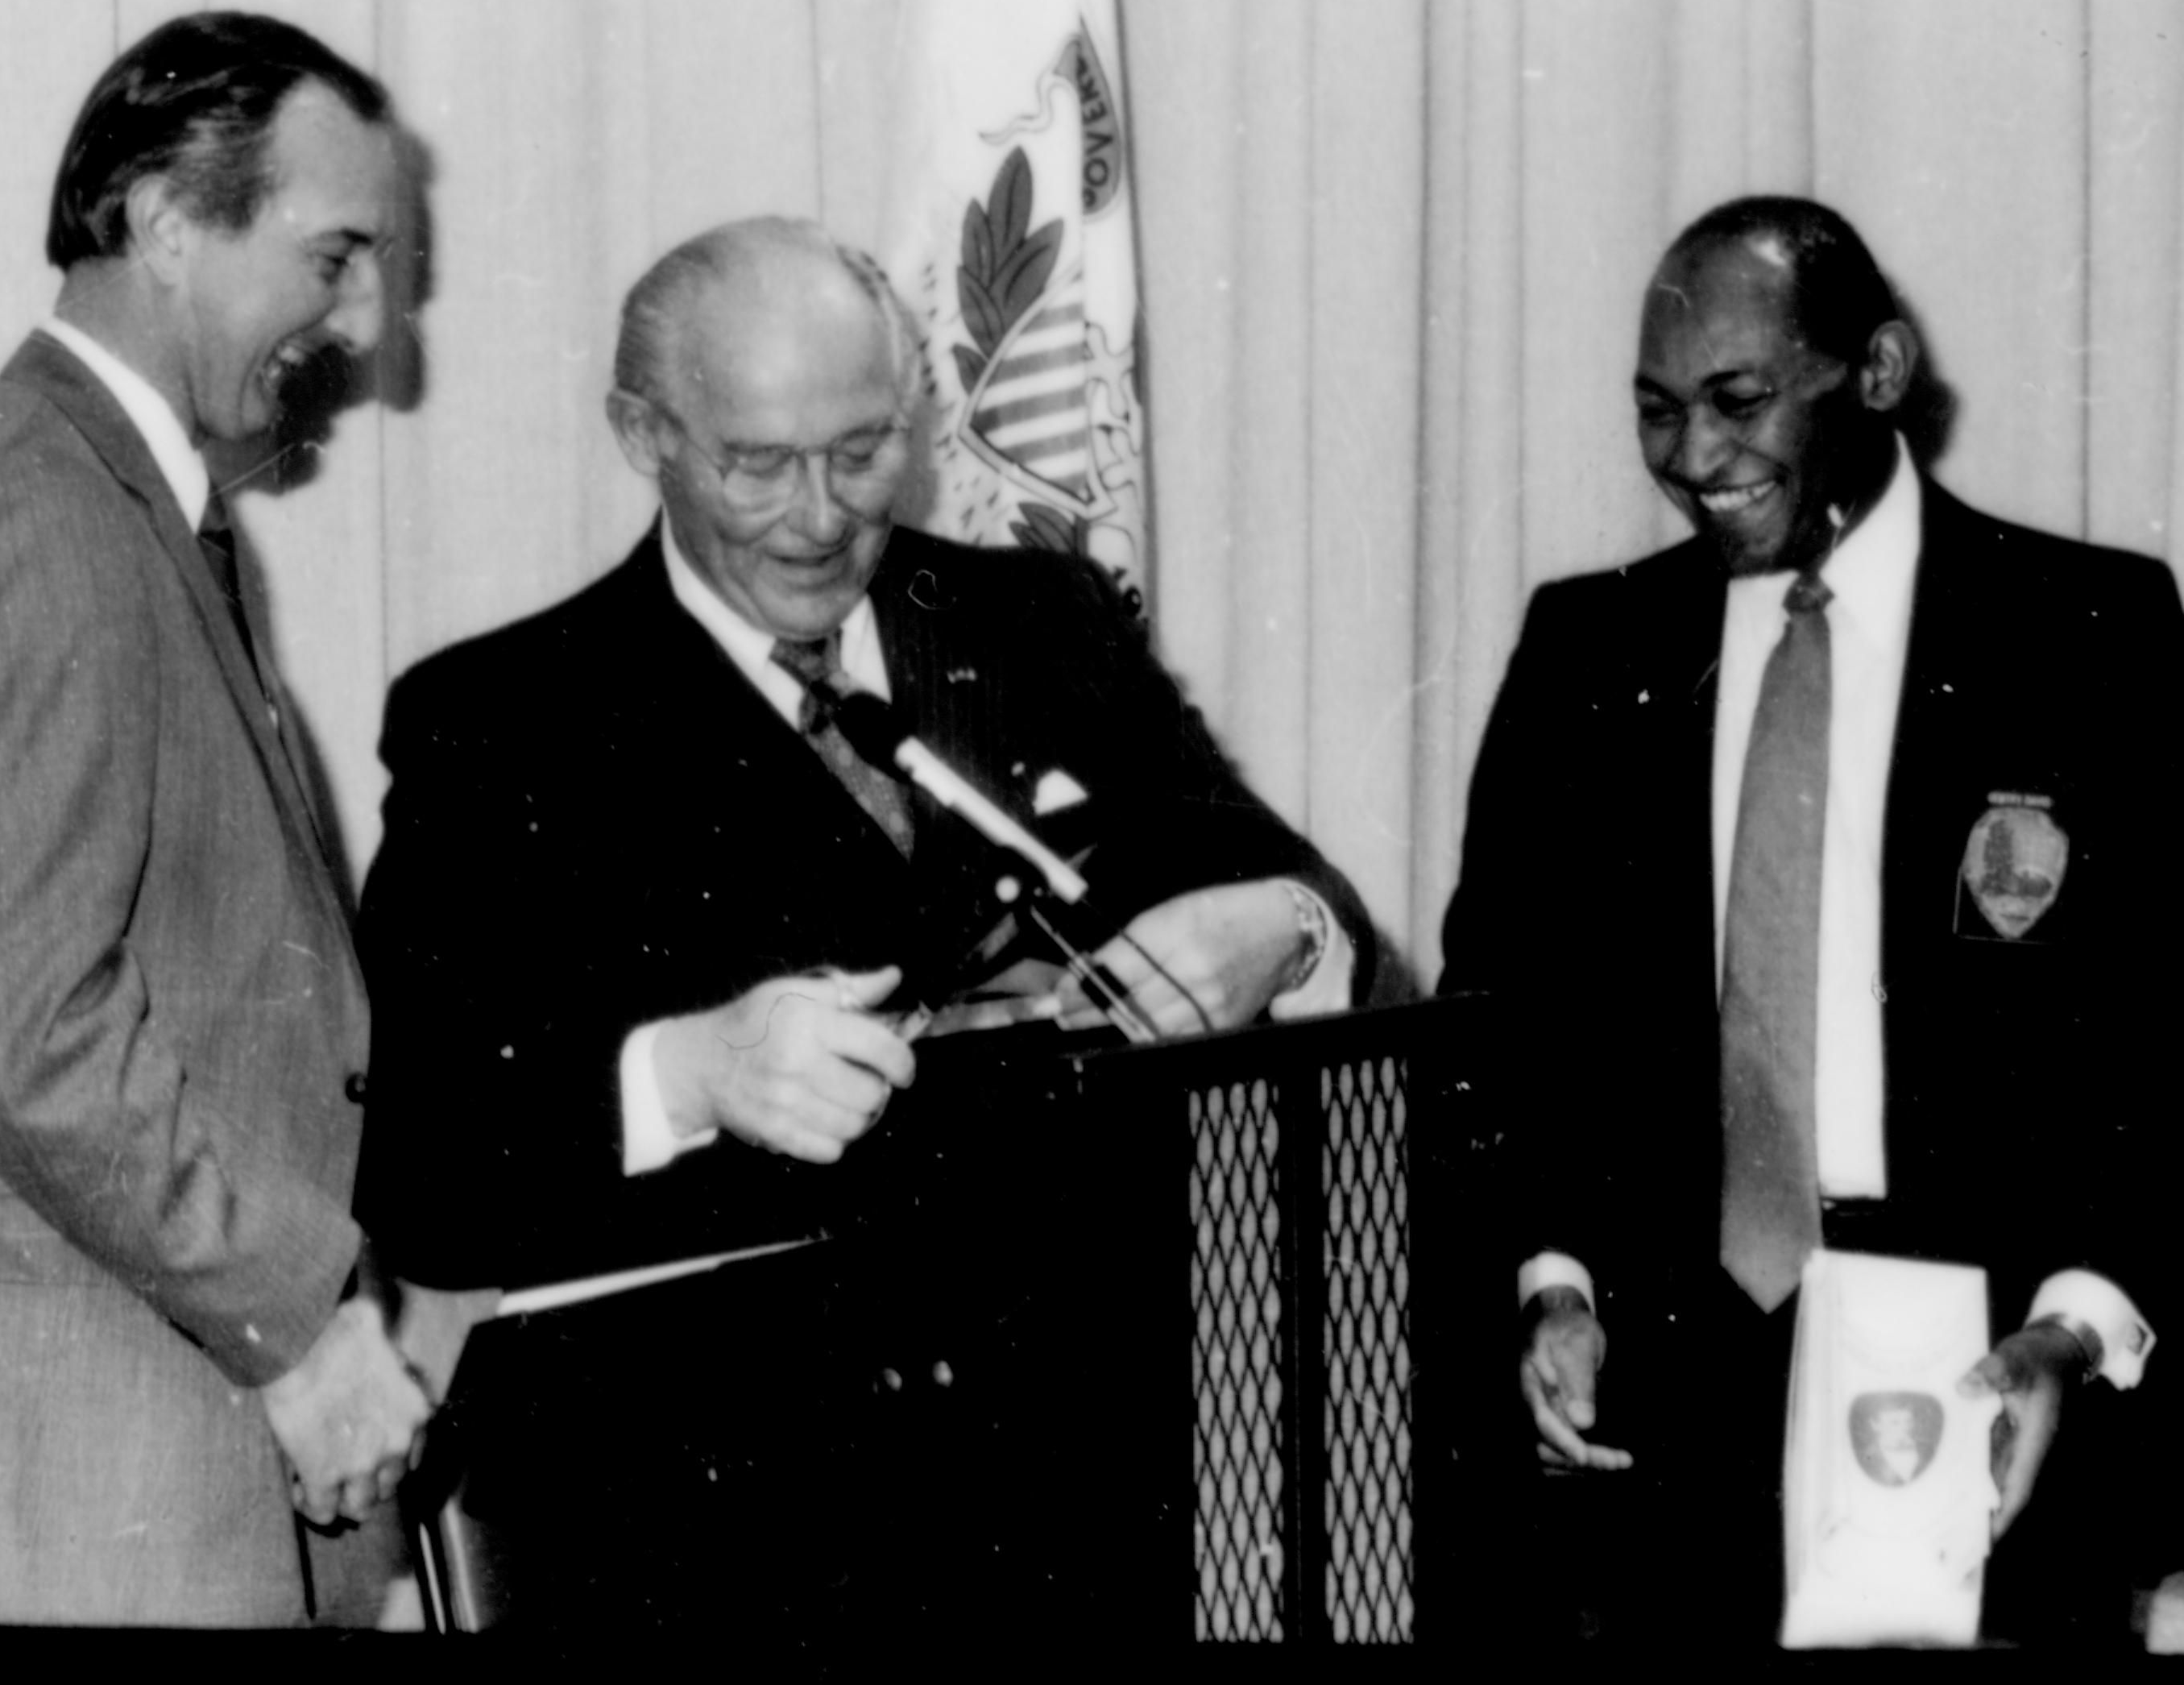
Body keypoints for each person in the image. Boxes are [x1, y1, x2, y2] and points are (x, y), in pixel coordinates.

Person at [354, 216, 1374, 1633]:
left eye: (864, 449)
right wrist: (693, 1075)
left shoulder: (1043, 620)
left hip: (1092, 1496)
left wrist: (1281, 926)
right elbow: (422, 1171)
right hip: (727, 1537)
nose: (826, 515)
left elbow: (1308, 897)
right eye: (759, 465)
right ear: (642, 434)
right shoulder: (502, 725)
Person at [1440, 195, 2182, 1646]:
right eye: (1656, 412)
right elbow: (1504, 1031)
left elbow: (2168, 1049)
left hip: (1985, 1387)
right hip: (1654, 1402)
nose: (1691, 460)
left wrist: (2071, 1329)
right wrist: (1550, 1283)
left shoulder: (2092, 634)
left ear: (1882, 372)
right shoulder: (1585, 651)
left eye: (1738, 401)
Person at [0, 11, 441, 1626]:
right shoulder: (40, 516)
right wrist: (303, 1327)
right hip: (73, 1528)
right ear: (170, 224)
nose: (367, 325)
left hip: (135, 1503)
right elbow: (16, 1023)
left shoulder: (122, 496)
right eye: (334, 259)